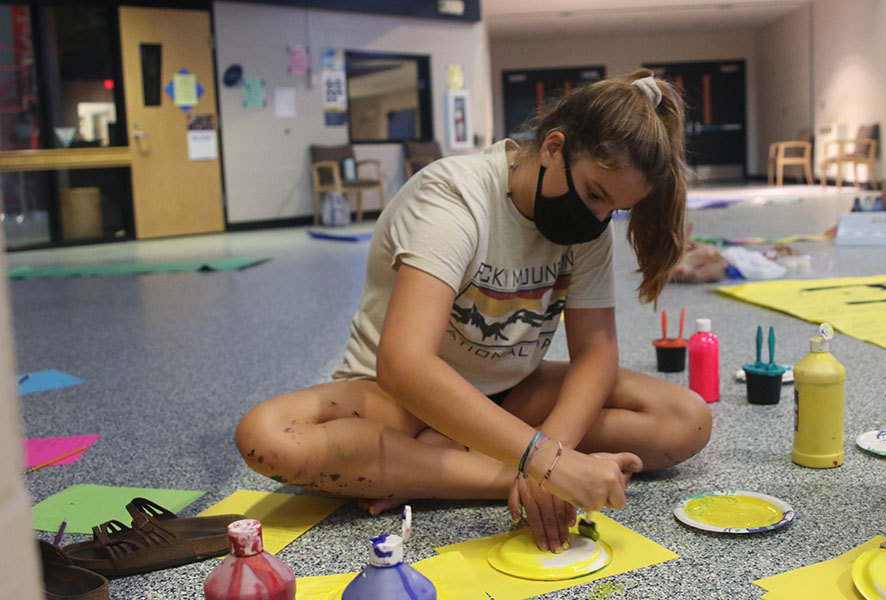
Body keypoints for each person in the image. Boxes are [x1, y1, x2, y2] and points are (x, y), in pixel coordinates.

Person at [236, 68, 712, 553]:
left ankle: (423, 469)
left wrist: (553, 452)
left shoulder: (588, 224)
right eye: (593, 194)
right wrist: (544, 464)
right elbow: (403, 364)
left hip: (513, 389)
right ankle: (485, 472)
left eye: (613, 209)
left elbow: (596, 352)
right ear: (553, 147)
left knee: (685, 419)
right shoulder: (454, 198)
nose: (597, 218)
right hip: (403, 402)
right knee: (270, 437)